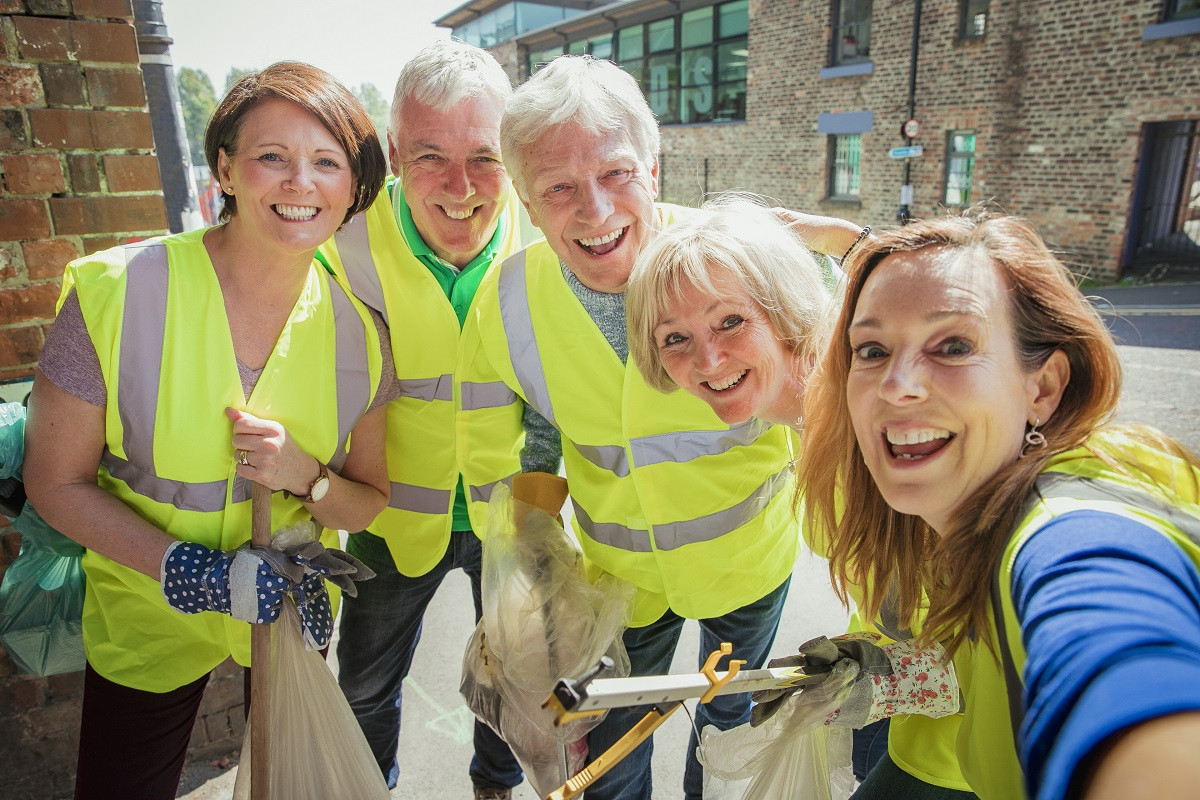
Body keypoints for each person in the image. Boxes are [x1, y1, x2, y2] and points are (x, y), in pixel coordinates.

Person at [458, 57, 841, 800]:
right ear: (527, 207)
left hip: (747, 566)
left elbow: (833, 382)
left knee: (730, 735)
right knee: (609, 763)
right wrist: (530, 569)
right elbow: (505, 445)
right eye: (558, 188)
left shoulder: (739, 255)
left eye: (616, 173)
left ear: (655, 170)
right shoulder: (506, 303)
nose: (595, 211)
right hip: (620, 585)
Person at [23, 62, 394, 800]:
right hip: (146, 603)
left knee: (288, 786)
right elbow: (54, 481)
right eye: (271, 158)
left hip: (284, 607)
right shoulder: (117, 293)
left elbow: (367, 502)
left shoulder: (363, 334)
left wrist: (308, 478)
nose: (300, 183)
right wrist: (193, 573)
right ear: (225, 167)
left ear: (354, 188)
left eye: (327, 162)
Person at [798, 211, 1200, 799]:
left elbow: (1111, 635)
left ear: (1043, 387)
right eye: (872, 349)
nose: (897, 382)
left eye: (954, 345)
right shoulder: (956, 505)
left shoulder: (1067, 519)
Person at [626, 194, 977, 799]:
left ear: (783, 309)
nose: (707, 360)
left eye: (730, 321)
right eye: (674, 338)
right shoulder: (801, 422)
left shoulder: (881, 421)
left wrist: (890, 683)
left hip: (977, 750)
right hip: (904, 711)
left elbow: (1008, 645)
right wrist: (858, 660)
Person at [315, 41, 525, 800]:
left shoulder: (548, 228)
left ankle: (493, 784)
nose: (462, 185)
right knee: (366, 686)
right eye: (431, 155)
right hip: (386, 514)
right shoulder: (342, 241)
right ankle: (375, 787)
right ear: (395, 152)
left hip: (508, 516)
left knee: (511, 682)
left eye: (486, 156)